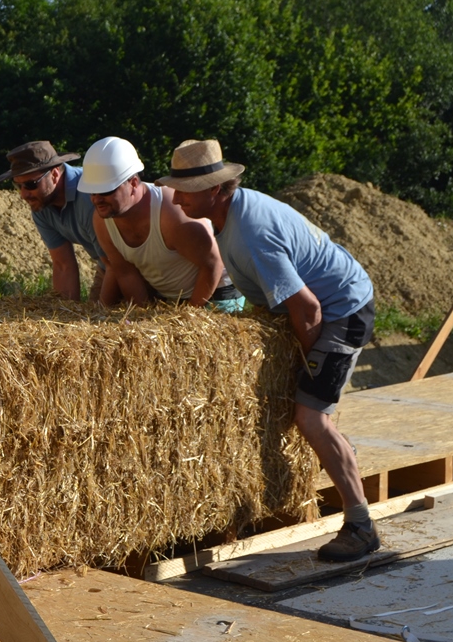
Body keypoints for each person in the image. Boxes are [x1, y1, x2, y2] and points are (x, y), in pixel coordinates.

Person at [158, 138, 378, 562]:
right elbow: (269, 300)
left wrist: (306, 368)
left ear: (216, 190)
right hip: (320, 306)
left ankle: (361, 525)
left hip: (342, 310)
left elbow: (308, 310)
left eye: (185, 189)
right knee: (312, 412)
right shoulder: (227, 219)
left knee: (310, 417)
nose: (176, 197)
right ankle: (339, 450)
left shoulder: (252, 230)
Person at [77, 137, 243, 310]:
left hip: (215, 294)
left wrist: (188, 315)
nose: (96, 199)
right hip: (170, 300)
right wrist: (142, 315)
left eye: (105, 191)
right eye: (92, 191)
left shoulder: (172, 215)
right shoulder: (102, 220)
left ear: (133, 183)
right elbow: (125, 272)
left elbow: (213, 265)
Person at [0, 140, 105, 301]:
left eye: (31, 185)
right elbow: (62, 265)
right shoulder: (40, 204)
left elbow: (117, 263)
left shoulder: (89, 196)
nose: (24, 195)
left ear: (54, 174)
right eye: (18, 186)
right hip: (110, 264)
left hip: (135, 261)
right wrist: (63, 315)